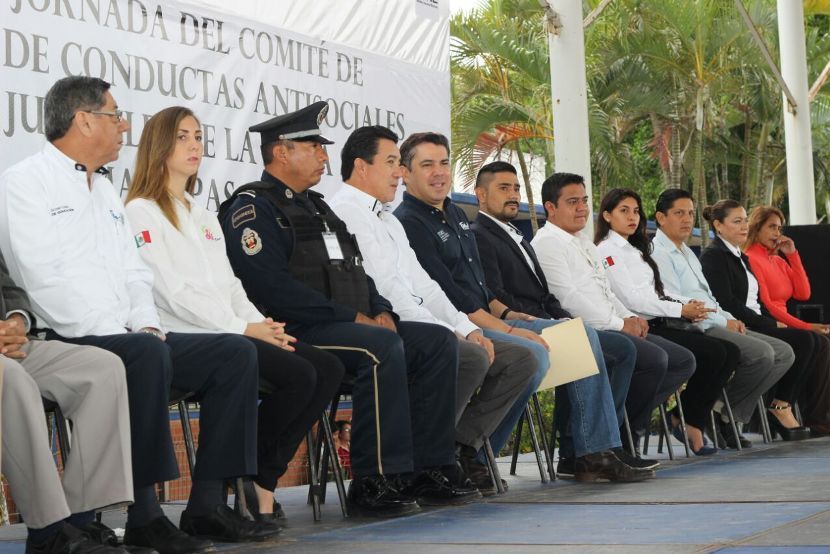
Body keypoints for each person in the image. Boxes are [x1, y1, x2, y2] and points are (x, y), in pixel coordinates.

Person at [0, 76, 277, 553]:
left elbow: (135, 273)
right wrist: (126, 333)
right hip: (71, 332)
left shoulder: (106, 192)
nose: (124, 125)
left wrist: (146, 323)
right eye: (115, 115)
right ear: (85, 121)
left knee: (233, 355)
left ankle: (207, 504)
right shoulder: (24, 182)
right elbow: (40, 279)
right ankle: (144, 514)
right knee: (143, 356)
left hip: (129, 333)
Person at [218, 102, 480, 517]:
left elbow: (359, 271)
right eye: (314, 147)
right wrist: (353, 318)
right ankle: (373, 480)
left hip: (347, 326)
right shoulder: (254, 208)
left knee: (435, 342)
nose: (324, 157)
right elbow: (270, 287)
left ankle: (428, 468)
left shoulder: (319, 208)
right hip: (296, 329)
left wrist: (381, 310)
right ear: (282, 152)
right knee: (379, 348)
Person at [124, 106, 345, 524]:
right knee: (292, 372)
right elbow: (170, 292)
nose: (194, 145)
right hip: (186, 335)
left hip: (231, 330)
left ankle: (259, 474)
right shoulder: (140, 210)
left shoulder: (202, 213)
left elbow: (230, 286)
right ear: (158, 145)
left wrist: (261, 325)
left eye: (198, 137)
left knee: (325, 367)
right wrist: (244, 328)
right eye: (182, 137)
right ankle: (226, 490)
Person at [394, 133, 654, 483]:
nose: (439, 172)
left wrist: (507, 314)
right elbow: (449, 295)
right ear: (405, 172)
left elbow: (479, 287)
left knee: (579, 336)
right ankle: (485, 453)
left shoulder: (453, 213)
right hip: (456, 324)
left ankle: (592, 451)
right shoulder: (409, 222)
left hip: (489, 317)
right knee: (545, 350)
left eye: (443, 163)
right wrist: (505, 328)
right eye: (427, 164)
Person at [329, 126, 537, 495]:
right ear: (362, 167)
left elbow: (425, 285)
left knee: (498, 354)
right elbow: (387, 291)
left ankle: (442, 455)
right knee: (457, 350)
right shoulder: (346, 212)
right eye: (392, 163)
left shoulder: (387, 219)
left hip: (415, 324)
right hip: (381, 326)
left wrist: (465, 327)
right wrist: (449, 330)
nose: (398, 172)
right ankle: (426, 462)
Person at [470, 161, 647, 472]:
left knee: (602, 342)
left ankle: (600, 447)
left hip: (541, 319)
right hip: (515, 323)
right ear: (481, 195)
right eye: (503, 188)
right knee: (589, 339)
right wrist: (549, 322)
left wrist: (564, 319)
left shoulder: (516, 235)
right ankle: (590, 450)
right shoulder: (480, 234)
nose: (513, 195)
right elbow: (494, 295)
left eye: (516, 188)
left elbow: (546, 296)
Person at [530, 174, 695, 453]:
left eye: (584, 201)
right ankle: (608, 442)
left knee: (681, 360)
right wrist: (619, 324)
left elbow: (606, 292)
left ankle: (620, 431)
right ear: (550, 207)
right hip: (578, 328)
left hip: (608, 324)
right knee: (646, 357)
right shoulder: (548, 243)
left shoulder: (583, 242)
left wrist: (629, 318)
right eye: (572, 202)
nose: (582, 208)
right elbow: (568, 298)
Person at [0, 249, 134, 554]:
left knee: (103, 368)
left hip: (10, 345)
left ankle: (79, 522)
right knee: (13, 380)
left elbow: (8, 289)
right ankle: (47, 534)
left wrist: (17, 320)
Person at [595, 189, 739, 454]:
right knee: (699, 356)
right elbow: (632, 298)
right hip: (640, 325)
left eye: (636, 211)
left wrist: (688, 304)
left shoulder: (634, 249)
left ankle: (663, 419)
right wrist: (680, 310)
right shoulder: (607, 250)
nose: (632, 217)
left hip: (659, 320)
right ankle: (630, 422)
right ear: (606, 215)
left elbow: (658, 291)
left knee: (725, 352)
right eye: (624, 211)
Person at [649, 189, 794, 448]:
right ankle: (708, 414)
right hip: (692, 325)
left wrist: (729, 318)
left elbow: (710, 299)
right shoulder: (658, 252)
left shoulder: (686, 252)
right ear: (661, 218)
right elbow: (676, 301)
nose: (687, 219)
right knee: (761, 353)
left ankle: (721, 412)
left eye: (690, 213)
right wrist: (723, 321)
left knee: (784, 353)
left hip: (714, 319)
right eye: (679, 213)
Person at [741, 205, 830, 436]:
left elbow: (803, 293)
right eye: (771, 227)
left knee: (825, 342)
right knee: (815, 341)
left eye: (779, 228)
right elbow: (766, 304)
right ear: (757, 228)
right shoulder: (751, 258)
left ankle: (819, 416)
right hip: (766, 321)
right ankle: (811, 416)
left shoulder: (778, 260)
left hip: (786, 322)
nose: (777, 233)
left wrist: (792, 254)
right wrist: (806, 326)